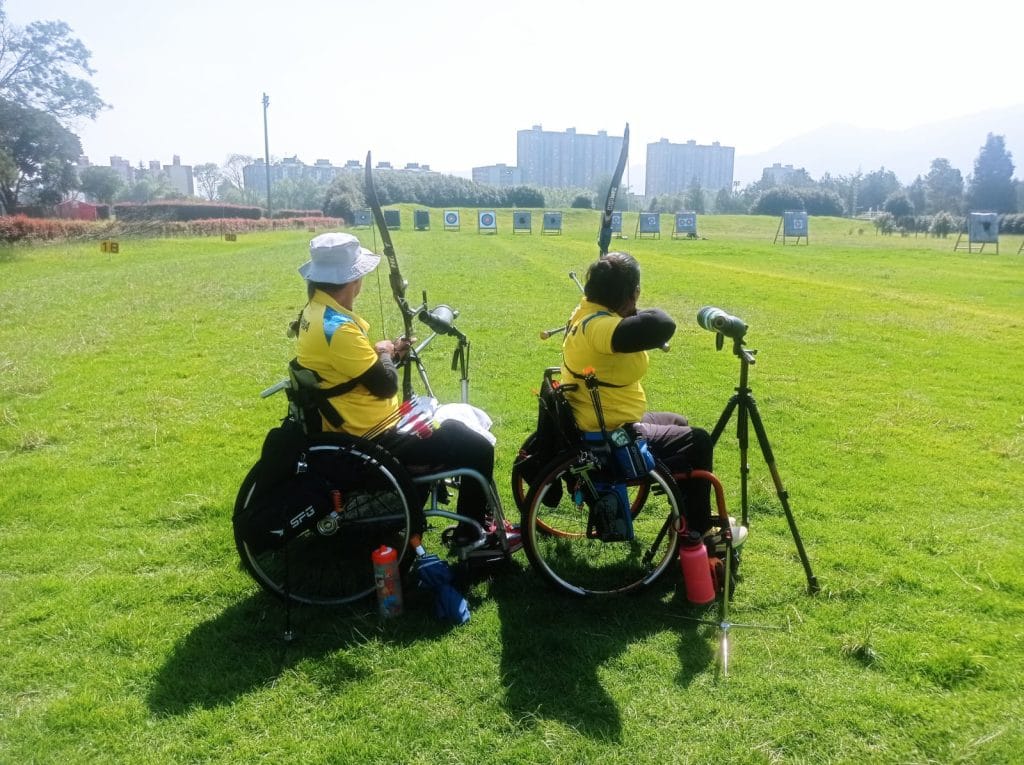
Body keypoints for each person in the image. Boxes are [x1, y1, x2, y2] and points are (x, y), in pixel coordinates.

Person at [293, 231, 512, 549]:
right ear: (353, 280)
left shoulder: (313, 314)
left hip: (357, 428)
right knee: (476, 446)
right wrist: (383, 351)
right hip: (374, 440)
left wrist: (387, 354)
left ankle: (475, 527)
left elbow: (352, 371)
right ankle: (473, 537)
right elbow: (385, 386)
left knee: (454, 423)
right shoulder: (336, 328)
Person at [559, 251, 745, 544]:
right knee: (698, 441)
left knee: (678, 422)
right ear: (629, 293)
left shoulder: (586, 312)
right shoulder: (600, 328)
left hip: (602, 416)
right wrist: (633, 310)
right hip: (611, 433)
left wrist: (627, 309)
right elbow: (662, 323)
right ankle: (696, 531)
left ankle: (683, 507)